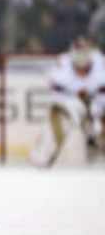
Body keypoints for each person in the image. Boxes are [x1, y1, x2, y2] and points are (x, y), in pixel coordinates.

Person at [30, 34, 105, 166]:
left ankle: (96, 151)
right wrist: (78, 105)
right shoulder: (62, 66)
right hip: (69, 105)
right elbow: (56, 95)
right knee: (55, 125)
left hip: (98, 105)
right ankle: (43, 156)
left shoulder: (101, 64)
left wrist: (95, 111)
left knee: (98, 127)